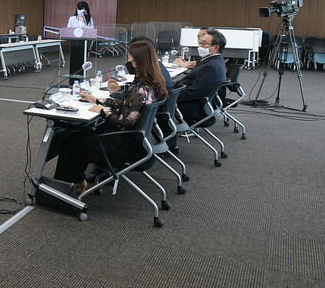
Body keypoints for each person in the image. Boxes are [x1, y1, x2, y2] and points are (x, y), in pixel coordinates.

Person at [52, 40, 168, 194]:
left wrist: (102, 111)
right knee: (83, 136)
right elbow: (129, 105)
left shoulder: (139, 89)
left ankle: (60, 191)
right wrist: (98, 100)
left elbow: (124, 122)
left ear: (139, 61)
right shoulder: (151, 84)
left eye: (131, 60)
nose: (129, 63)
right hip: (138, 142)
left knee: (72, 142)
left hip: (125, 145)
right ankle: (76, 183)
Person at [175, 28, 227, 124]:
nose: (200, 46)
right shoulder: (214, 60)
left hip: (192, 107)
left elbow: (194, 92)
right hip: (194, 101)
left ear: (216, 47)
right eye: (200, 43)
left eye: (204, 44)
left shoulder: (211, 66)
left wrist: (171, 95)